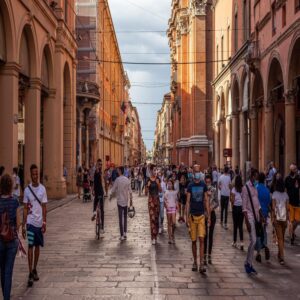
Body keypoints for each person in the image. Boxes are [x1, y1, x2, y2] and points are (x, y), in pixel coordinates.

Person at [22, 164, 48, 287]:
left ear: (39, 174)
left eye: (37, 173)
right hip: (30, 223)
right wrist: (23, 225)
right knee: (30, 246)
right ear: (30, 175)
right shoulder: (27, 190)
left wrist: (44, 222)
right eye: (33, 174)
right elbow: (25, 208)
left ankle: (34, 268)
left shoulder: (43, 189)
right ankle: (30, 273)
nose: (35, 176)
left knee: (37, 247)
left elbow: (44, 207)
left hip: (39, 223)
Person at [0, 174, 21, 300]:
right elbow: (18, 223)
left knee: (2, 271)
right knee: (8, 271)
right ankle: (6, 297)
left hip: (0, 241)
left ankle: (5, 295)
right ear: (11, 186)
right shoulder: (15, 201)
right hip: (12, 241)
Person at [186, 165, 210, 274]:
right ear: (192, 173)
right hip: (192, 216)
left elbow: (206, 200)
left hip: (201, 216)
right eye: (194, 171)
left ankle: (201, 264)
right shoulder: (190, 185)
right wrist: (186, 217)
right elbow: (187, 202)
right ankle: (195, 262)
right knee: (194, 240)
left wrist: (208, 216)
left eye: (198, 171)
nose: (196, 173)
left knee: (201, 239)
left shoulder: (203, 185)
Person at [242, 169, 264, 275]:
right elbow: (244, 207)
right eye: (255, 177)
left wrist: (261, 214)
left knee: (254, 240)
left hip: (256, 217)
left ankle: (249, 264)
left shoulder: (255, 188)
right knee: (253, 240)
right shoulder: (245, 188)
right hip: (249, 217)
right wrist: (246, 222)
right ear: (251, 176)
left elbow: (257, 202)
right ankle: (247, 263)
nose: (256, 179)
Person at [110, 166, 133, 241]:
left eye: (118, 170)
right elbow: (130, 191)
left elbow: (113, 190)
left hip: (119, 201)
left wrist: (110, 196)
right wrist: (131, 200)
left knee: (120, 218)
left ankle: (122, 235)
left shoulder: (117, 180)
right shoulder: (127, 180)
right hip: (126, 201)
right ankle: (125, 232)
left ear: (120, 171)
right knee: (125, 217)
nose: (117, 171)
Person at [271, 177, 289, 265]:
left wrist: (273, 218)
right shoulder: (286, 195)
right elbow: (287, 208)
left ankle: (282, 257)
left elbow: (274, 207)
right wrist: (287, 219)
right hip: (284, 218)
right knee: (282, 238)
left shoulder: (274, 194)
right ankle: (279, 254)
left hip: (278, 218)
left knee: (280, 238)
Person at [255, 172, 271, 262]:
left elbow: (255, 202)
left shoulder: (256, 189)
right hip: (265, 214)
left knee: (257, 232)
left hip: (257, 214)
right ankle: (265, 246)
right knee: (264, 231)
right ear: (264, 179)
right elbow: (269, 203)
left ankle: (258, 253)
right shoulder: (267, 190)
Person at [204, 175, 218, 265]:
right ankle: (204, 254)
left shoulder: (214, 190)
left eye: (209, 182)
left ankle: (209, 255)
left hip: (212, 213)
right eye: (206, 182)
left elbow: (217, 202)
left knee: (211, 235)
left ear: (211, 182)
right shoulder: (203, 189)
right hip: (204, 214)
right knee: (204, 235)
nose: (208, 183)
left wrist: (211, 208)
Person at [285, 164, 300, 245]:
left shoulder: (298, 178)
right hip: (290, 202)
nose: (296, 170)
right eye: (295, 169)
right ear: (292, 170)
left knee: (297, 220)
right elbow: (285, 190)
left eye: (296, 169)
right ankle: (291, 237)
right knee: (291, 221)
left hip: (297, 202)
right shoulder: (287, 179)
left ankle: (292, 232)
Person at [146, 165, 162, 245]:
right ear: (151, 171)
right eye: (154, 170)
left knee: (156, 218)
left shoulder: (158, 179)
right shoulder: (148, 179)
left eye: (156, 170)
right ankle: (153, 237)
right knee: (152, 218)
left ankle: (156, 236)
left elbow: (160, 190)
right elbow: (146, 192)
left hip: (157, 200)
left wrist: (158, 184)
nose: (155, 171)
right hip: (151, 201)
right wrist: (147, 186)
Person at [230, 175, 244, 250]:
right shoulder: (243, 189)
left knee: (235, 225)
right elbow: (244, 199)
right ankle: (242, 242)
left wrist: (232, 207)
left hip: (235, 208)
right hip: (241, 208)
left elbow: (232, 200)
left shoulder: (233, 190)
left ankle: (234, 241)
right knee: (240, 226)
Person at [91, 159, 105, 234]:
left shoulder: (96, 172)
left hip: (97, 191)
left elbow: (94, 182)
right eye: (100, 164)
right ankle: (102, 227)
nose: (100, 166)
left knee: (95, 202)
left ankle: (94, 212)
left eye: (101, 165)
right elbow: (99, 182)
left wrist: (93, 190)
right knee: (102, 210)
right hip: (100, 192)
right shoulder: (98, 172)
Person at [164, 179, 178, 244]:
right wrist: (166, 205)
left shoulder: (175, 192)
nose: (169, 185)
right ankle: (170, 237)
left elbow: (176, 200)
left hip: (174, 208)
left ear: (172, 184)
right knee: (169, 223)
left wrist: (177, 205)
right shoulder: (166, 192)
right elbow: (164, 199)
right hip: (168, 208)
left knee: (174, 223)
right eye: (168, 184)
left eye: (170, 184)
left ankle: (173, 234)